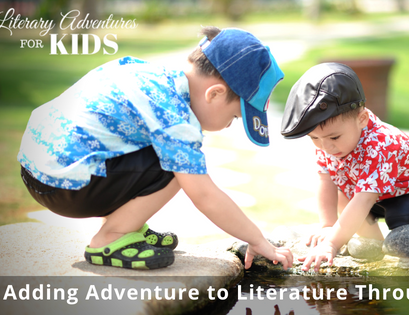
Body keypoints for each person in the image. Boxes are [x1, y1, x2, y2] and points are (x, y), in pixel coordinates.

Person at [18, 26, 293, 270]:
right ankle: (110, 238)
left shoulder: (151, 75)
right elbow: (204, 195)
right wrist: (257, 240)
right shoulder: (174, 115)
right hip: (65, 186)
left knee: (168, 153)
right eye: (234, 118)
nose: (227, 126)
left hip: (38, 169)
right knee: (181, 167)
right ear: (215, 94)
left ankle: (128, 226)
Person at [280, 63, 409, 272]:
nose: (325, 146)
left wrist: (331, 243)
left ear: (361, 119)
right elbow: (325, 180)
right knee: (345, 195)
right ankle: (375, 250)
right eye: (314, 138)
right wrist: (328, 226)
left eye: (334, 137)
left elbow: (365, 199)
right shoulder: (328, 143)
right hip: (381, 192)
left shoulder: (381, 144)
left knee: (403, 219)